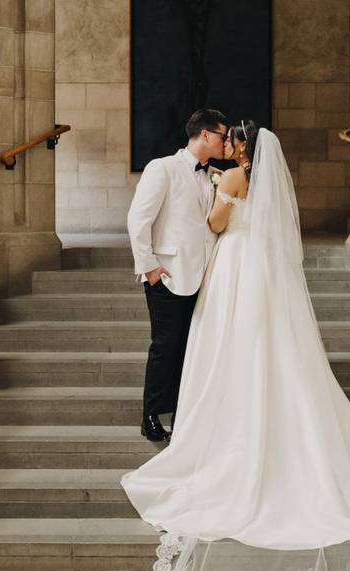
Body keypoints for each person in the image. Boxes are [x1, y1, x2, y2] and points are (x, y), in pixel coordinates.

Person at [121, 120, 350, 571]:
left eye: (231, 140)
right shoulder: (254, 180)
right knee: (268, 343)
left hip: (232, 268)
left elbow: (214, 227)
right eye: (221, 136)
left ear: (240, 148)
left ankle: (225, 424)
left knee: (229, 344)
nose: (225, 144)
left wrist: (216, 195)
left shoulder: (229, 180)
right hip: (262, 273)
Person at [126, 108, 227, 442]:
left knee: (191, 346)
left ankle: (183, 412)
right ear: (205, 135)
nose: (224, 142)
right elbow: (138, 219)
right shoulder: (163, 168)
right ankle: (151, 415)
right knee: (165, 346)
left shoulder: (214, 174)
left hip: (202, 276)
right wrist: (149, 266)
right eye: (222, 136)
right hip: (167, 274)